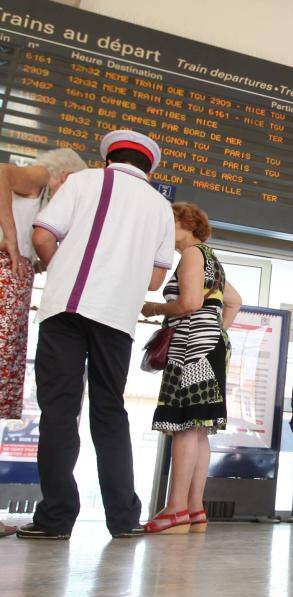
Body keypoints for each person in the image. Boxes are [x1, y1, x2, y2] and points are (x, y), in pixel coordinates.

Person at [17, 130, 175, 540]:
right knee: (109, 413)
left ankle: (55, 519)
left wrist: (61, 268)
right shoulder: (161, 206)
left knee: (59, 412)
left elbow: (42, 235)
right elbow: (157, 279)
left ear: (108, 159)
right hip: (117, 319)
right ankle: (123, 520)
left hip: (65, 309)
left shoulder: (82, 182)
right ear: (148, 167)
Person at [0, 149, 87, 539]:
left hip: (15, 285)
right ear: (63, 174)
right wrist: (12, 243)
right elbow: (1, 172)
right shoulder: (37, 176)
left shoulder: (45, 201)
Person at [141, 202, 242, 535]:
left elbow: (189, 304)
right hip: (209, 348)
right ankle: (195, 509)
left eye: (169, 222)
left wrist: (156, 307)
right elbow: (234, 301)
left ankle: (175, 510)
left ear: (185, 223)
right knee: (198, 428)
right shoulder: (211, 258)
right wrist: (218, 330)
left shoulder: (192, 255)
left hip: (191, 349)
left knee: (186, 424)